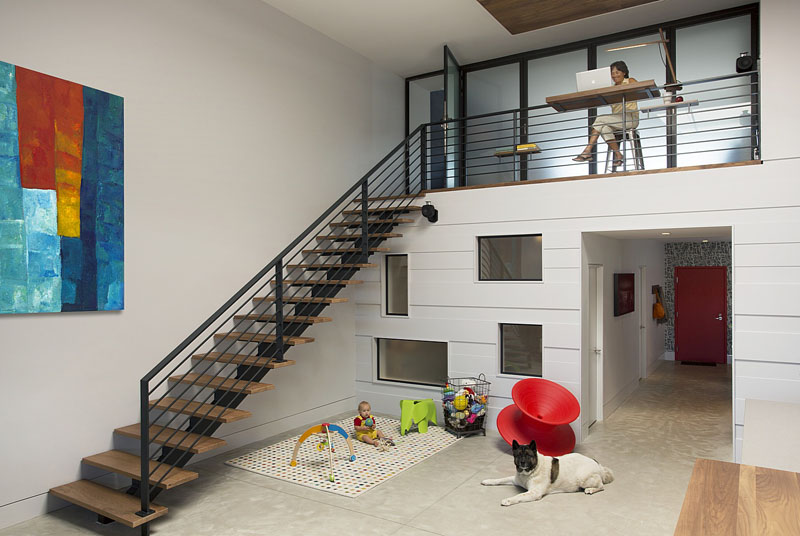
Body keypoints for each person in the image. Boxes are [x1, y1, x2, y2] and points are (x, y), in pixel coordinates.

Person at [573, 61, 639, 169]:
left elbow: (636, 88)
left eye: (617, 72)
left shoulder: (629, 80)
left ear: (624, 72)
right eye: (612, 73)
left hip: (630, 118)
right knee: (604, 128)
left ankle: (588, 150)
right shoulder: (611, 87)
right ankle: (618, 155)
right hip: (617, 120)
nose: (614, 75)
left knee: (600, 119)